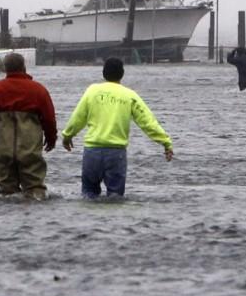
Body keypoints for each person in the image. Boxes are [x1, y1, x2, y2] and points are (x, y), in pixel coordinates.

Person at [61, 57, 173, 199]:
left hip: (92, 152)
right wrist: (166, 142)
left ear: (103, 73)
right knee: (115, 198)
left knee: (88, 195)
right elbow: (148, 122)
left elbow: (78, 117)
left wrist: (67, 136)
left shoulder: (92, 91)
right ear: (122, 73)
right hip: (116, 154)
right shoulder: (129, 95)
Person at [0, 52, 57, 200]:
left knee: (6, 193)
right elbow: (49, 119)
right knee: (35, 191)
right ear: (24, 67)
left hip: (4, 150)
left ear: (5, 69)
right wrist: (51, 138)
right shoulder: (38, 90)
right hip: (30, 151)